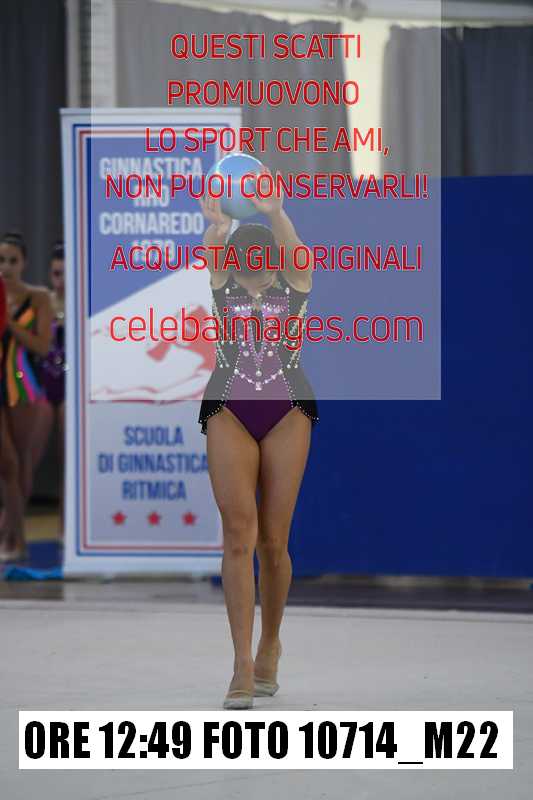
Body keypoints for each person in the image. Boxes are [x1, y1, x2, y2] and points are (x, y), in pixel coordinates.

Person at [198, 168, 318, 709]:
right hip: (229, 408)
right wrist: (217, 225)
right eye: (241, 254)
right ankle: (241, 662)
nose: (252, 261)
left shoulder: (295, 285)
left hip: (287, 409)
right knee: (237, 536)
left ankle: (271, 643)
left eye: (262, 253)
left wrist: (274, 212)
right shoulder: (222, 285)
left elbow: (296, 252)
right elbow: (213, 249)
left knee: (273, 541)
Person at [0, 232, 53, 561]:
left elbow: (42, 346)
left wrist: (8, 323)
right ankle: (13, 537)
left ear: (24, 263)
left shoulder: (38, 298)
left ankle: (16, 541)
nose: (6, 267)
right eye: (1, 260)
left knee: (21, 465)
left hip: (21, 385)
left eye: (12, 260)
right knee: (6, 464)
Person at [32, 240, 66, 539]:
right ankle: (10, 524)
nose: (61, 281)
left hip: (70, 389)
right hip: (44, 385)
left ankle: (67, 528)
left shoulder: (82, 303)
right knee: (27, 458)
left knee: (68, 461)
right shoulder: (41, 303)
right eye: (56, 274)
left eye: (66, 274)